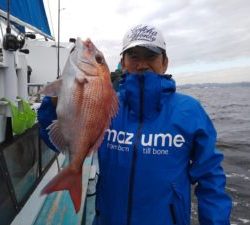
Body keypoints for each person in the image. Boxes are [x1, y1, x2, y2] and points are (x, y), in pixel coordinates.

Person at [92, 24, 232, 225]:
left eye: (151, 56)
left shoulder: (189, 111)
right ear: (122, 62)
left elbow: (211, 178)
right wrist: (54, 102)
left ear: (165, 62)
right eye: (134, 56)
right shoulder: (105, 106)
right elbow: (63, 142)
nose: (142, 65)